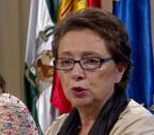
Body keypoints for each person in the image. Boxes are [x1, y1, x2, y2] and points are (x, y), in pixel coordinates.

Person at [46, 7, 154, 135]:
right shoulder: (58, 127)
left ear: (119, 70)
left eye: (91, 61)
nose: (76, 74)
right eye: (66, 62)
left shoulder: (140, 126)